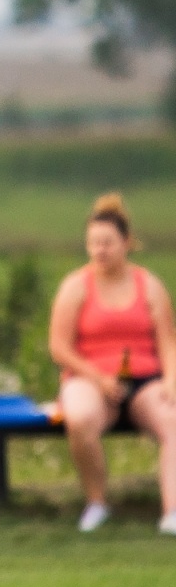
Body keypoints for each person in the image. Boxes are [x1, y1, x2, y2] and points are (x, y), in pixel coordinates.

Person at [47, 194, 176, 535]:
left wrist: (172, 382)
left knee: (173, 421)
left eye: (107, 243)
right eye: (92, 244)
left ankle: (171, 512)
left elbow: (168, 343)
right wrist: (98, 378)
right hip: (89, 377)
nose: (99, 250)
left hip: (144, 378)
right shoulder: (76, 287)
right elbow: (59, 346)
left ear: (127, 243)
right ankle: (97, 502)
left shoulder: (149, 286)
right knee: (80, 418)